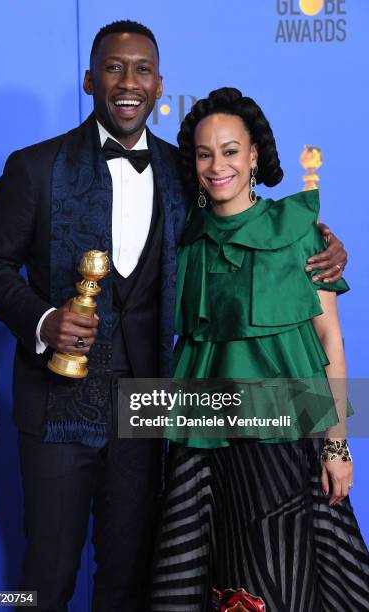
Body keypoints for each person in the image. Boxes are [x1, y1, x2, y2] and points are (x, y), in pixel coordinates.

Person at [0, 20, 346, 612]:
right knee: (45, 574)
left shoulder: (183, 170)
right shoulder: (34, 168)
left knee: (131, 576)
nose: (128, 82)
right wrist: (43, 320)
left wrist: (320, 243)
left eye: (141, 69)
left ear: (159, 84)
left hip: (150, 411)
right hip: (57, 407)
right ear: (91, 78)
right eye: (114, 68)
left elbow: (245, 219)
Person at [150, 88, 369, 612]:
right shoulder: (188, 238)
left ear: (254, 156)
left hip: (286, 442)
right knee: (207, 575)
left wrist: (337, 444)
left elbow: (329, 339)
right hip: (204, 444)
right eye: (205, 153)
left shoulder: (296, 230)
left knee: (283, 578)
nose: (217, 164)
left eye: (230, 150)